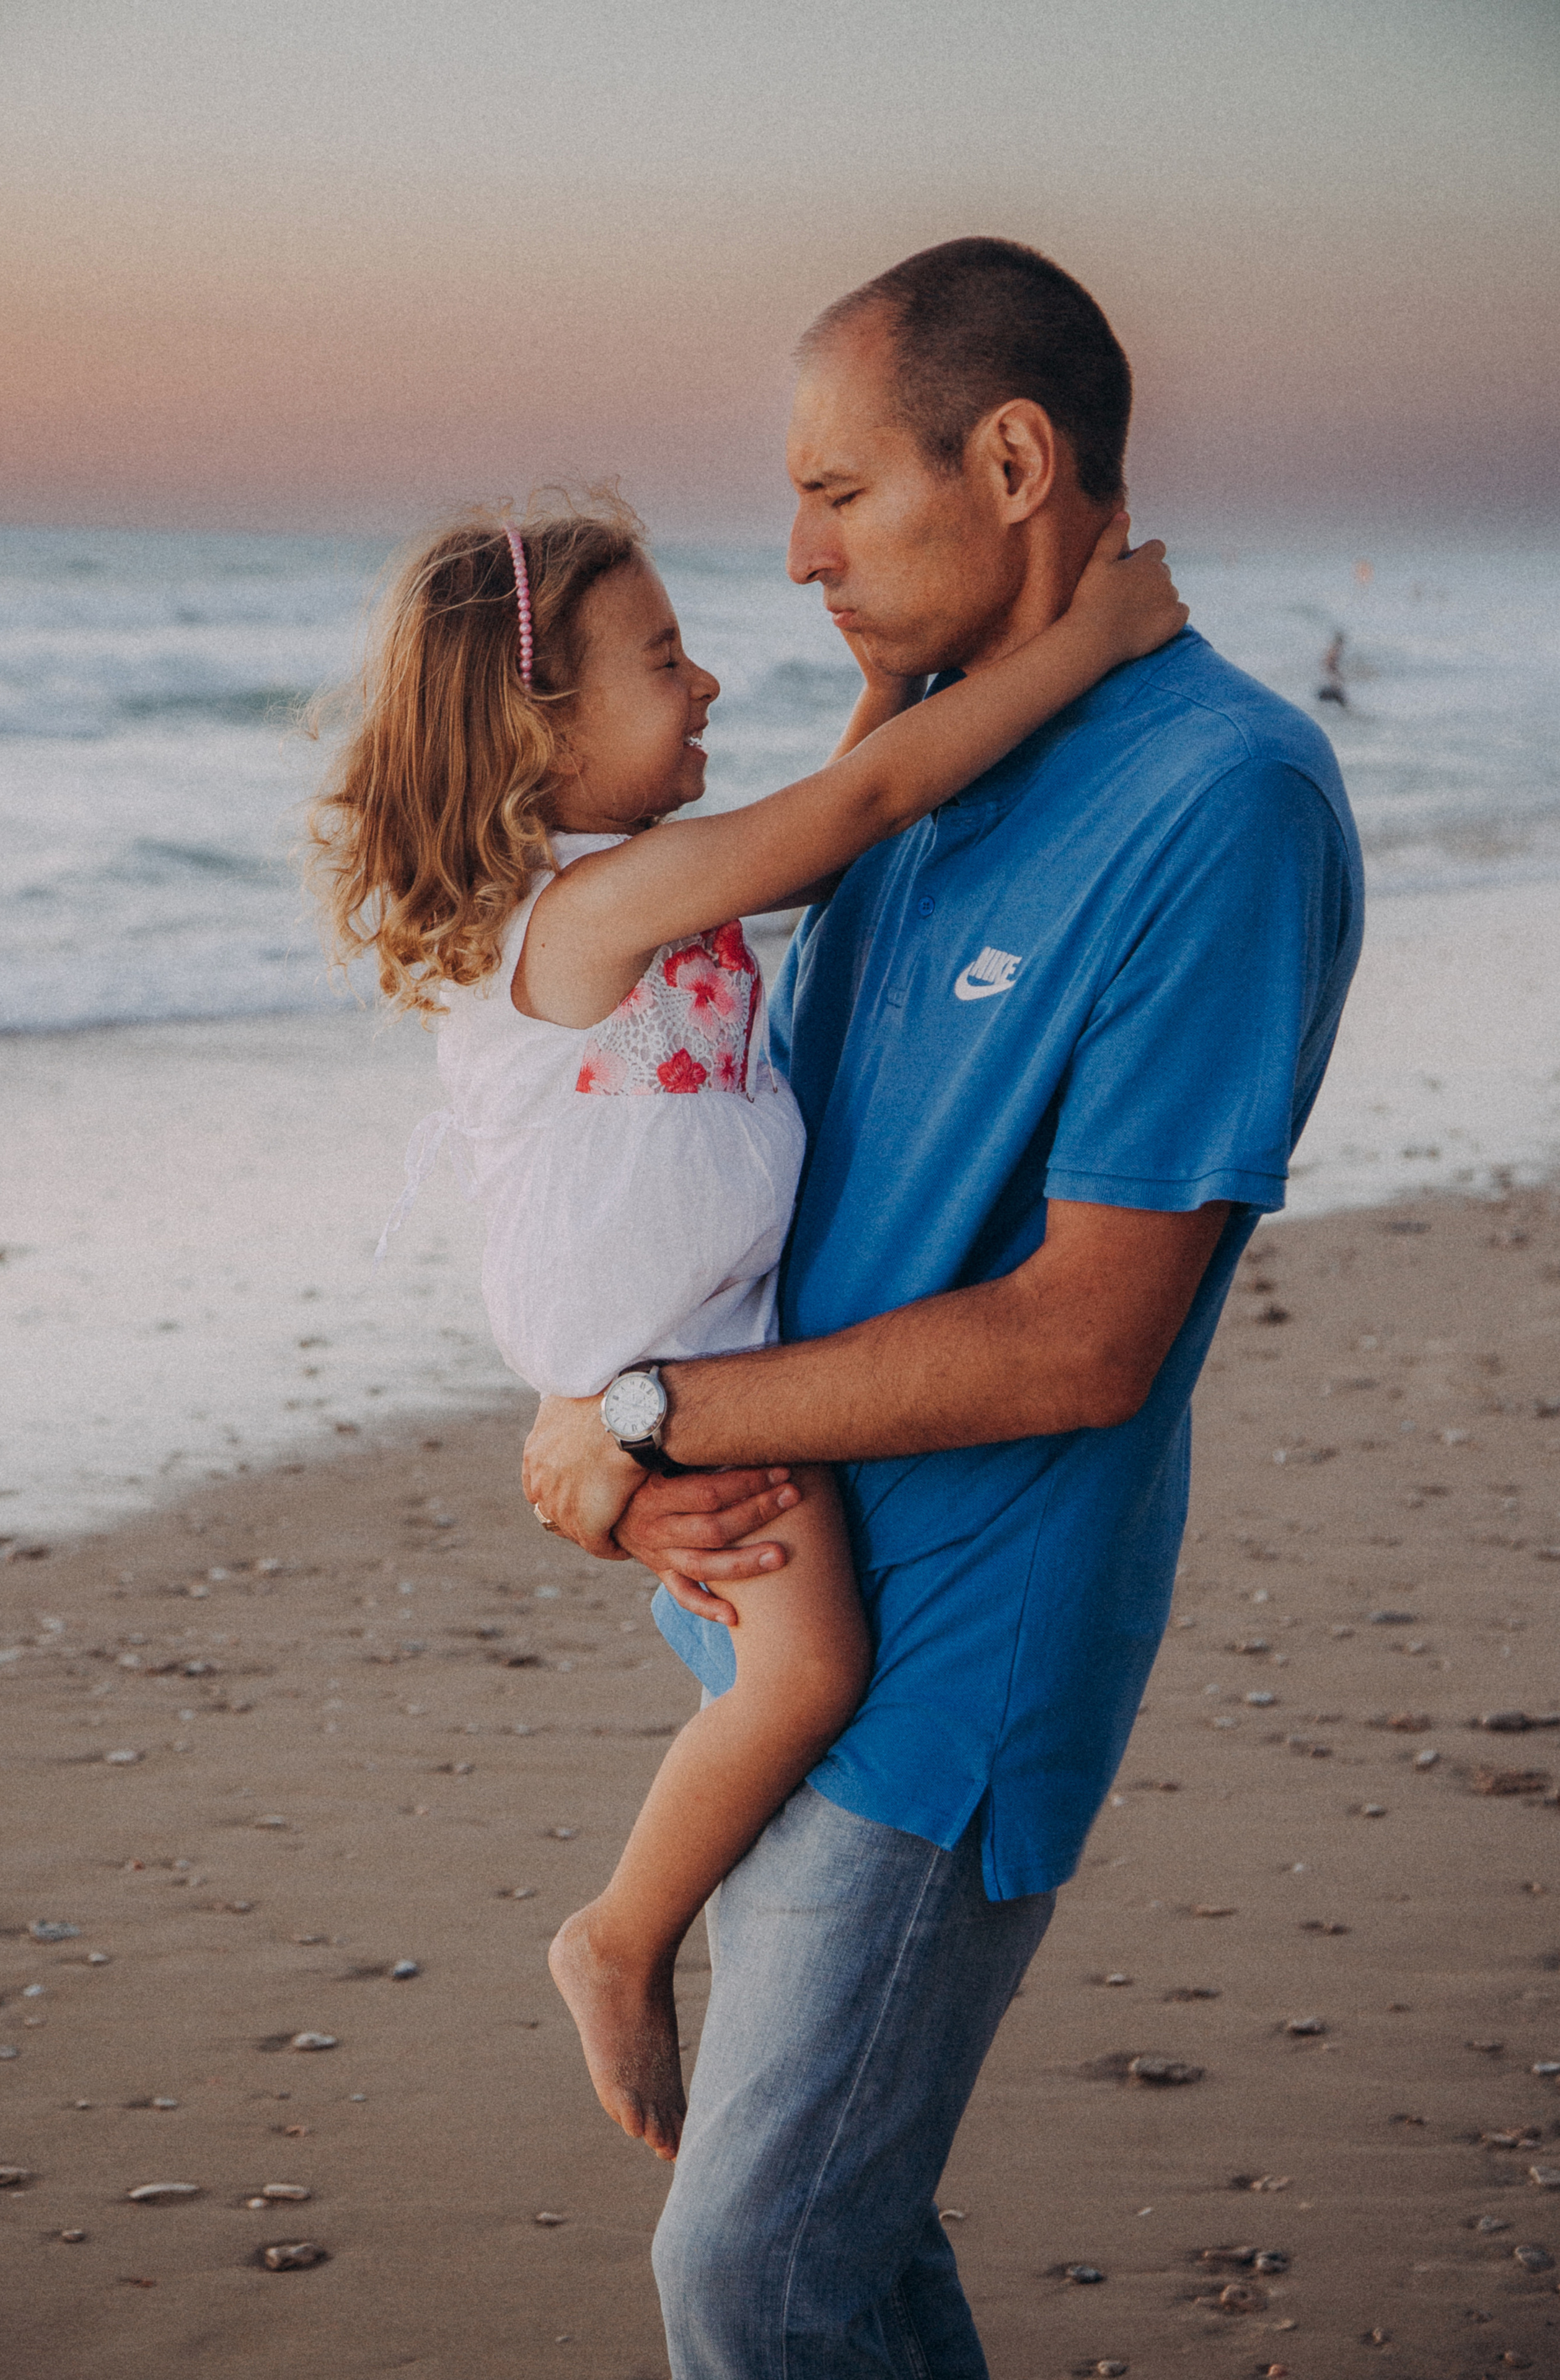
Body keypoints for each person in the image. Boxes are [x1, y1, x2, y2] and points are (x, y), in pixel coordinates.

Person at [523, 236, 1364, 2380]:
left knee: (752, 2269)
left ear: (1011, 460)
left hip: (950, 1666)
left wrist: (647, 1420)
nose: (793, 555)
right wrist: (635, 1435)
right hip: (778, 1593)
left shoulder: (1223, 801)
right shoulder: (926, 756)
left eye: (838, 493)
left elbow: (1090, 1333)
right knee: (846, 2248)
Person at [306, 489, 1186, 2163]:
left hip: (681, 1334)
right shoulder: (585, 913)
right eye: (662, 660)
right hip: (668, 1337)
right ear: (539, 729)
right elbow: (857, 806)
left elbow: (850, 787)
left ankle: (654, 1920)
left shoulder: (633, 882)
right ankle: (621, 1933)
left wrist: (897, 702)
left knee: (789, 1639)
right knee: (814, 1665)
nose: (705, 684)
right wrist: (1096, 639)